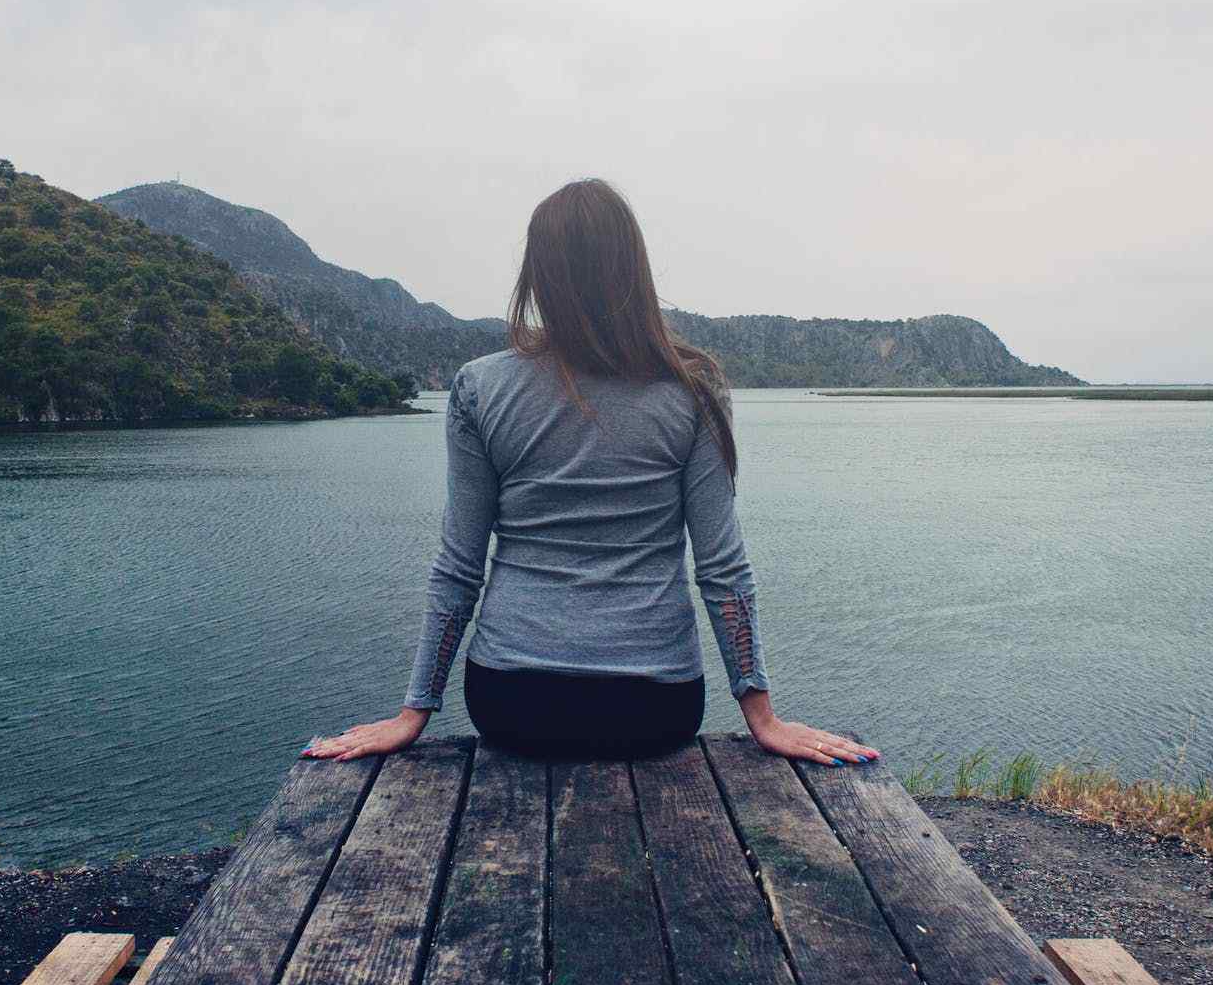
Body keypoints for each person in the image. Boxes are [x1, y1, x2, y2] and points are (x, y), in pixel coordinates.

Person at [303, 178, 879, 767]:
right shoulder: (694, 390)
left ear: (538, 274)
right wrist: (762, 716)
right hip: (656, 708)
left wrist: (414, 711)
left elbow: (459, 563)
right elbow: (722, 567)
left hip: (510, 702)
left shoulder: (480, 387)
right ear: (632, 268)